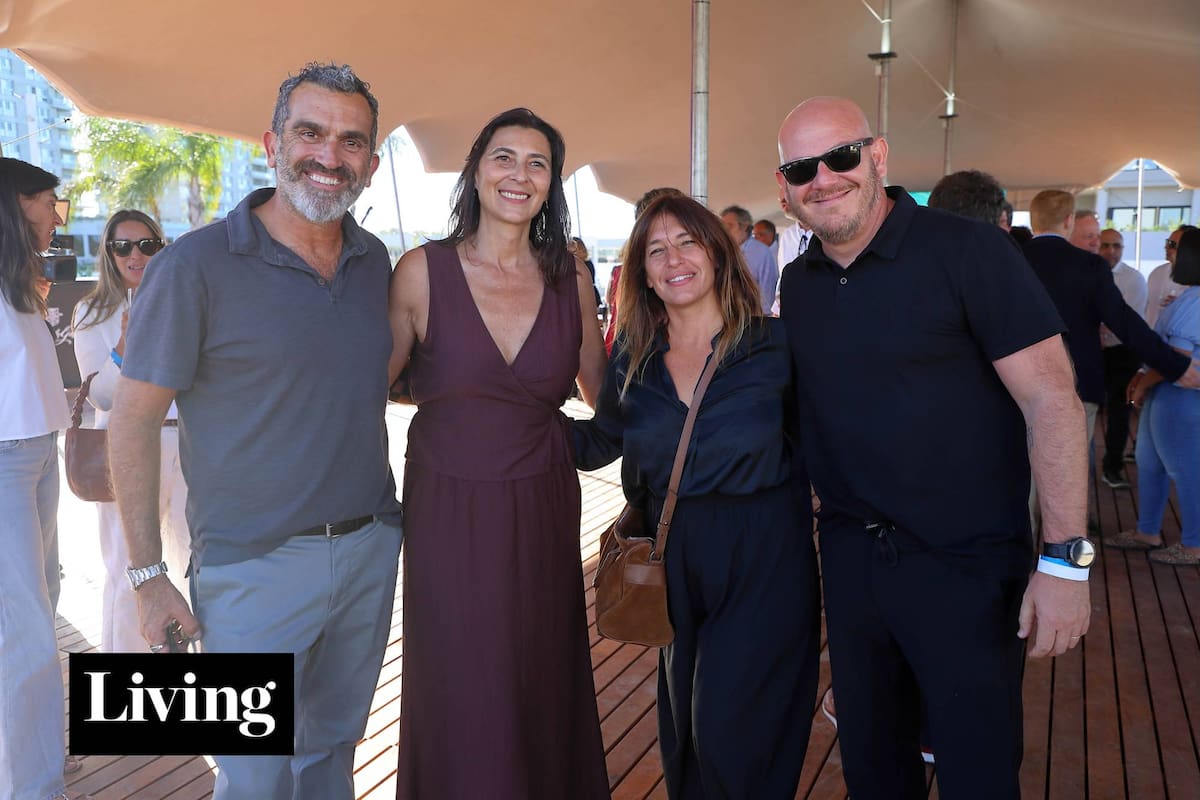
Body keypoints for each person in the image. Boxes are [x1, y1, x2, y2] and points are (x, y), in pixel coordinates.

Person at [776, 96, 1090, 800]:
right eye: (802, 168)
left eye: (842, 156)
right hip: (855, 565)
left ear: (878, 156)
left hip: (968, 570)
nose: (823, 178)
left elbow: (1052, 400)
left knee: (977, 773)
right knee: (875, 769)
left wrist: (1067, 561)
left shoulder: (967, 250)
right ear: (784, 187)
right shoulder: (800, 285)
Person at [107, 63, 403, 800]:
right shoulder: (194, 265)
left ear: (370, 159)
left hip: (369, 550)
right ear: (272, 143)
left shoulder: (375, 263)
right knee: (254, 779)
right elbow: (133, 421)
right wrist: (148, 580)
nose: (329, 157)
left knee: (332, 752)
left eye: (351, 140)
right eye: (311, 133)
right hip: (250, 568)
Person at [387, 107, 609, 800]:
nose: (520, 174)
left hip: (542, 499)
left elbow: (606, 397)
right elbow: (366, 388)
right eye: (504, 157)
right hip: (447, 504)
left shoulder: (571, 278)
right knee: (457, 676)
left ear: (551, 185)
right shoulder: (421, 270)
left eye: (537, 163)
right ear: (477, 170)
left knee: (538, 671)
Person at [574, 193, 819, 799]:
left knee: (734, 727)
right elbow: (601, 440)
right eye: (655, 249)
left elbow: (828, 441)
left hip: (762, 549)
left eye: (687, 241)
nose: (673, 258)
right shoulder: (634, 353)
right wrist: (500, 415)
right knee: (685, 727)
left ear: (716, 253)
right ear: (642, 273)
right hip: (670, 552)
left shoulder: (776, 345)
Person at [0, 157, 90, 800]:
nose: (56, 216)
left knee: (40, 607)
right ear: (15, 202)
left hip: (37, 452)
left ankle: (35, 764)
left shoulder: (18, 279)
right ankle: (34, 787)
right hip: (6, 459)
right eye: (48, 202)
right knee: (25, 629)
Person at [71, 210, 191, 653]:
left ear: (162, 247)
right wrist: (125, 346)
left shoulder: (183, 299)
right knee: (129, 573)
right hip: (125, 452)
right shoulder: (91, 311)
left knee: (193, 564)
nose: (135, 255)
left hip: (190, 444)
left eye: (147, 245)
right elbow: (100, 395)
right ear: (109, 253)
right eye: (123, 246)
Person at [1109, 228, 1200, 565]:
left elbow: (1178, 359)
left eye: (1173, 245)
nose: (1167, 250)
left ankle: (1194, 544)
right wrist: (1142, 376)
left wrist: (1143, 383)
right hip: (1164, 391)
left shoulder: (1197, 299)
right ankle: (1147, 530)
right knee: (1149, 461)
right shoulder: (1188, 295)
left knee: (1184, 468)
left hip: (1181, 396)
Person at [1096, 228, 1148, 488]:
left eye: (1116, 246)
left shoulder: (1134, 279)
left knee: (1119, 413)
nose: (1111, 251)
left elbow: (1128, 321)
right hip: (1092, 352)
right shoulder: (1089, 272)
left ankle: (1112, 466)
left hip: (1122, 353)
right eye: (1105, 245)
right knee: (1084, 410)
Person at [720, 205, 778, 314]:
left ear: (745, 227)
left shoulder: (761, 252)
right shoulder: (721, 251)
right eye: (723, 227)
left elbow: (767, 290)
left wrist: (762, 318)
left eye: (730, 226)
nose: (725, 231)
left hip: (754, 317)